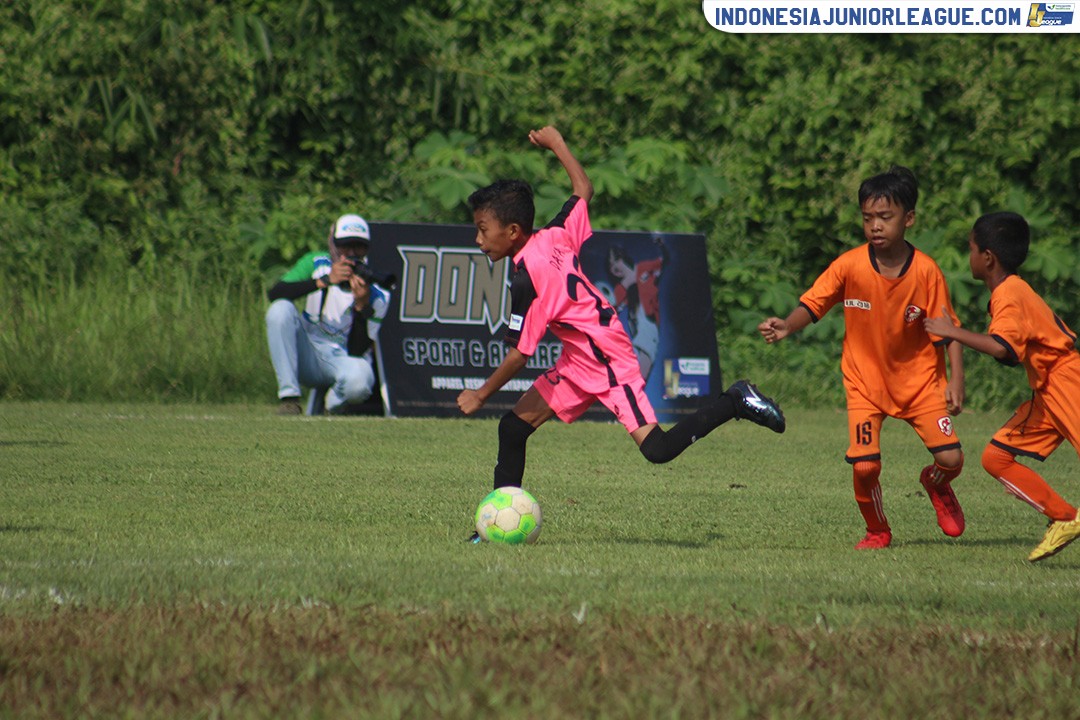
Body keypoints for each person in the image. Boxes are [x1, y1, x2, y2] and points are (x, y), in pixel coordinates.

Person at [457, 126, 785, 541]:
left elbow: (520, 355)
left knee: (658, 451)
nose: (478, 238)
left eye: (483, 229)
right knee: (513, 428)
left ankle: (736, 400)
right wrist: (558, 143)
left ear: (513, 232)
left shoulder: (527, 280)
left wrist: (481, 393)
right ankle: (491, 527)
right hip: (580, 359)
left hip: (607, 359)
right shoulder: (553, 235)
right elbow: (584, 187)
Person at [757, 166, 966, 550]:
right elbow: (814, 302)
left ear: (909, 218)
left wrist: (955, 380)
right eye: (868, 218)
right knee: (866, 466)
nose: (875, 226)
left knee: (952, 459)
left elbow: (947, 330)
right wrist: (788, 325)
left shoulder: (926, 272)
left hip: (920, 384)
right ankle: (878, 530)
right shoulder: (850, 264)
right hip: (864, 384)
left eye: (885, 217)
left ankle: (935, 484)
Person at [924, 212, 1080, 562]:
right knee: (996, 457)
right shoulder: (1011, 290)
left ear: (988, 257)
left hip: (1068, 383)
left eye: (971, 249)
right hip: (1047, 390)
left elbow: (1003, 348)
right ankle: (1065, 517)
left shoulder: (1009, 293)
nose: (970, 257)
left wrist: (951, 331)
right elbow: (1011, 354)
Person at [265, 214, 390, 415]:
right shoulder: (316, 263)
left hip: (340, 359)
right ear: (333, 246)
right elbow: (275, 293)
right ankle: (289, 399)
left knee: (361, 378)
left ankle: (330, 408)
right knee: (280, 310)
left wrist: (361, 306)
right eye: (344, 246)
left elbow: (358, 351)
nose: (350, 253)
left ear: (367, 249)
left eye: (358, 247)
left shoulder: (378, 294)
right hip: (307, 353)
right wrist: (324, 281)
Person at [607, 239, 667, 379]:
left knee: (641, 375)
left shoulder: (644, 268)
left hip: (648, 327)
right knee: (636, 376)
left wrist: (661, 245)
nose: (614, 266)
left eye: (616, 259)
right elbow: (610, 308)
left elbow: (664, 261)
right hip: (634, 332)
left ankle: (631, 398)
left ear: (623, 257)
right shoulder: (620, 288)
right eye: (610, 264)